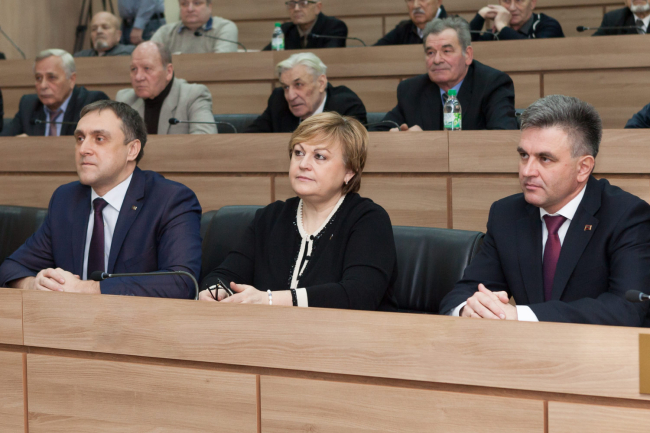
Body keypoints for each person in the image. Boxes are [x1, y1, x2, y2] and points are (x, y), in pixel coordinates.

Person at [439, 95, 650, 326]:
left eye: (545, 159)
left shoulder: (626, 216)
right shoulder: (506, 214)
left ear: (583, 168)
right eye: (524, 156)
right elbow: (465, 293)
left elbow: (627, 309)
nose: (527, 171)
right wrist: (468, 309)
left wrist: (522, 315)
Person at [0, 100, 202, 298]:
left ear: (132, 149)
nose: (83, 149)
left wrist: (84, 289)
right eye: (80, 138)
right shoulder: (65, 199)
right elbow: (11, 268)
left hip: (139, 319)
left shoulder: (170, 200)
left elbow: (182, 282)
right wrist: (34, 284)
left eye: (99, 139)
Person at [200, 112, 398, 311]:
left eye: (319, 156)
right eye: (298, 153)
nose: (303, 164)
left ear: (349, 171)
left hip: (346, 330)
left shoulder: (368, 220)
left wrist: (269, 299)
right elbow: (224, 275)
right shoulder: (271, 217)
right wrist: (216, 291)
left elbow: (359, 295)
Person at [375, 17, 517, 132]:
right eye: (431, 52)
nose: (437, 60)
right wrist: (395, 137)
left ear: (468, 55)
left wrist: (424, 142)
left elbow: (503, 136)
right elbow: (378, 133)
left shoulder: (492, 84)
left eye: (447, 51)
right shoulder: (411, 90)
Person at [246, 53, 366, 133]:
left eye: (298, 84)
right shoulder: (278, 100)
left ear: (321, 83)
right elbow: (250, 137)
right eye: (286, 87)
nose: (290, 96)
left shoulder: (346, 106)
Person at [116, 41, 217, 135]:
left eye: (147, 68)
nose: (138, 77)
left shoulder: (193, 96)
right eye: (134, 69)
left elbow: (205, 140)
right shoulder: (124, 100)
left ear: (168, 71)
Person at [10, 49, 109, 137]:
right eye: (38, 78)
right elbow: (5, 141)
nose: (43, 86)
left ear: (71, 79)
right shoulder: (28, 106)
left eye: (51, 77)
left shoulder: (91, 103)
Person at [151, 0, 239, 54]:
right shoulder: (165, 32)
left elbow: (222, 63)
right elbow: (149, 59)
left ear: (209, 6)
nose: (190, 9)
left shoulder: (224, 27)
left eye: (197, 3)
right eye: (184, 4)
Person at [262, 1, 348, 50]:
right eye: (292, 4)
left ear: (317, 7)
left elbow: (331, 58)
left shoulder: (335, 27)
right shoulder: (285, 29)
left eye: (303, 3)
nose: (296, 9)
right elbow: (266, 56)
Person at [469, 0, 564, 41]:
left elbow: (534, 50)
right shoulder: (496, 32)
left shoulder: (549, 26)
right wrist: (480, 15)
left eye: (519, 0)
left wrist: (503, 27)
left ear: (532, 3)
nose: (512, 8)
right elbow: (466, 48)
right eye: (506, 0)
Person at [374, 0, 449, 46]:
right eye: (410, 0)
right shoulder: (403, 29)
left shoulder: (453, 28)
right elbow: (374, 51)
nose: (415, 5)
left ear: (439, 1)